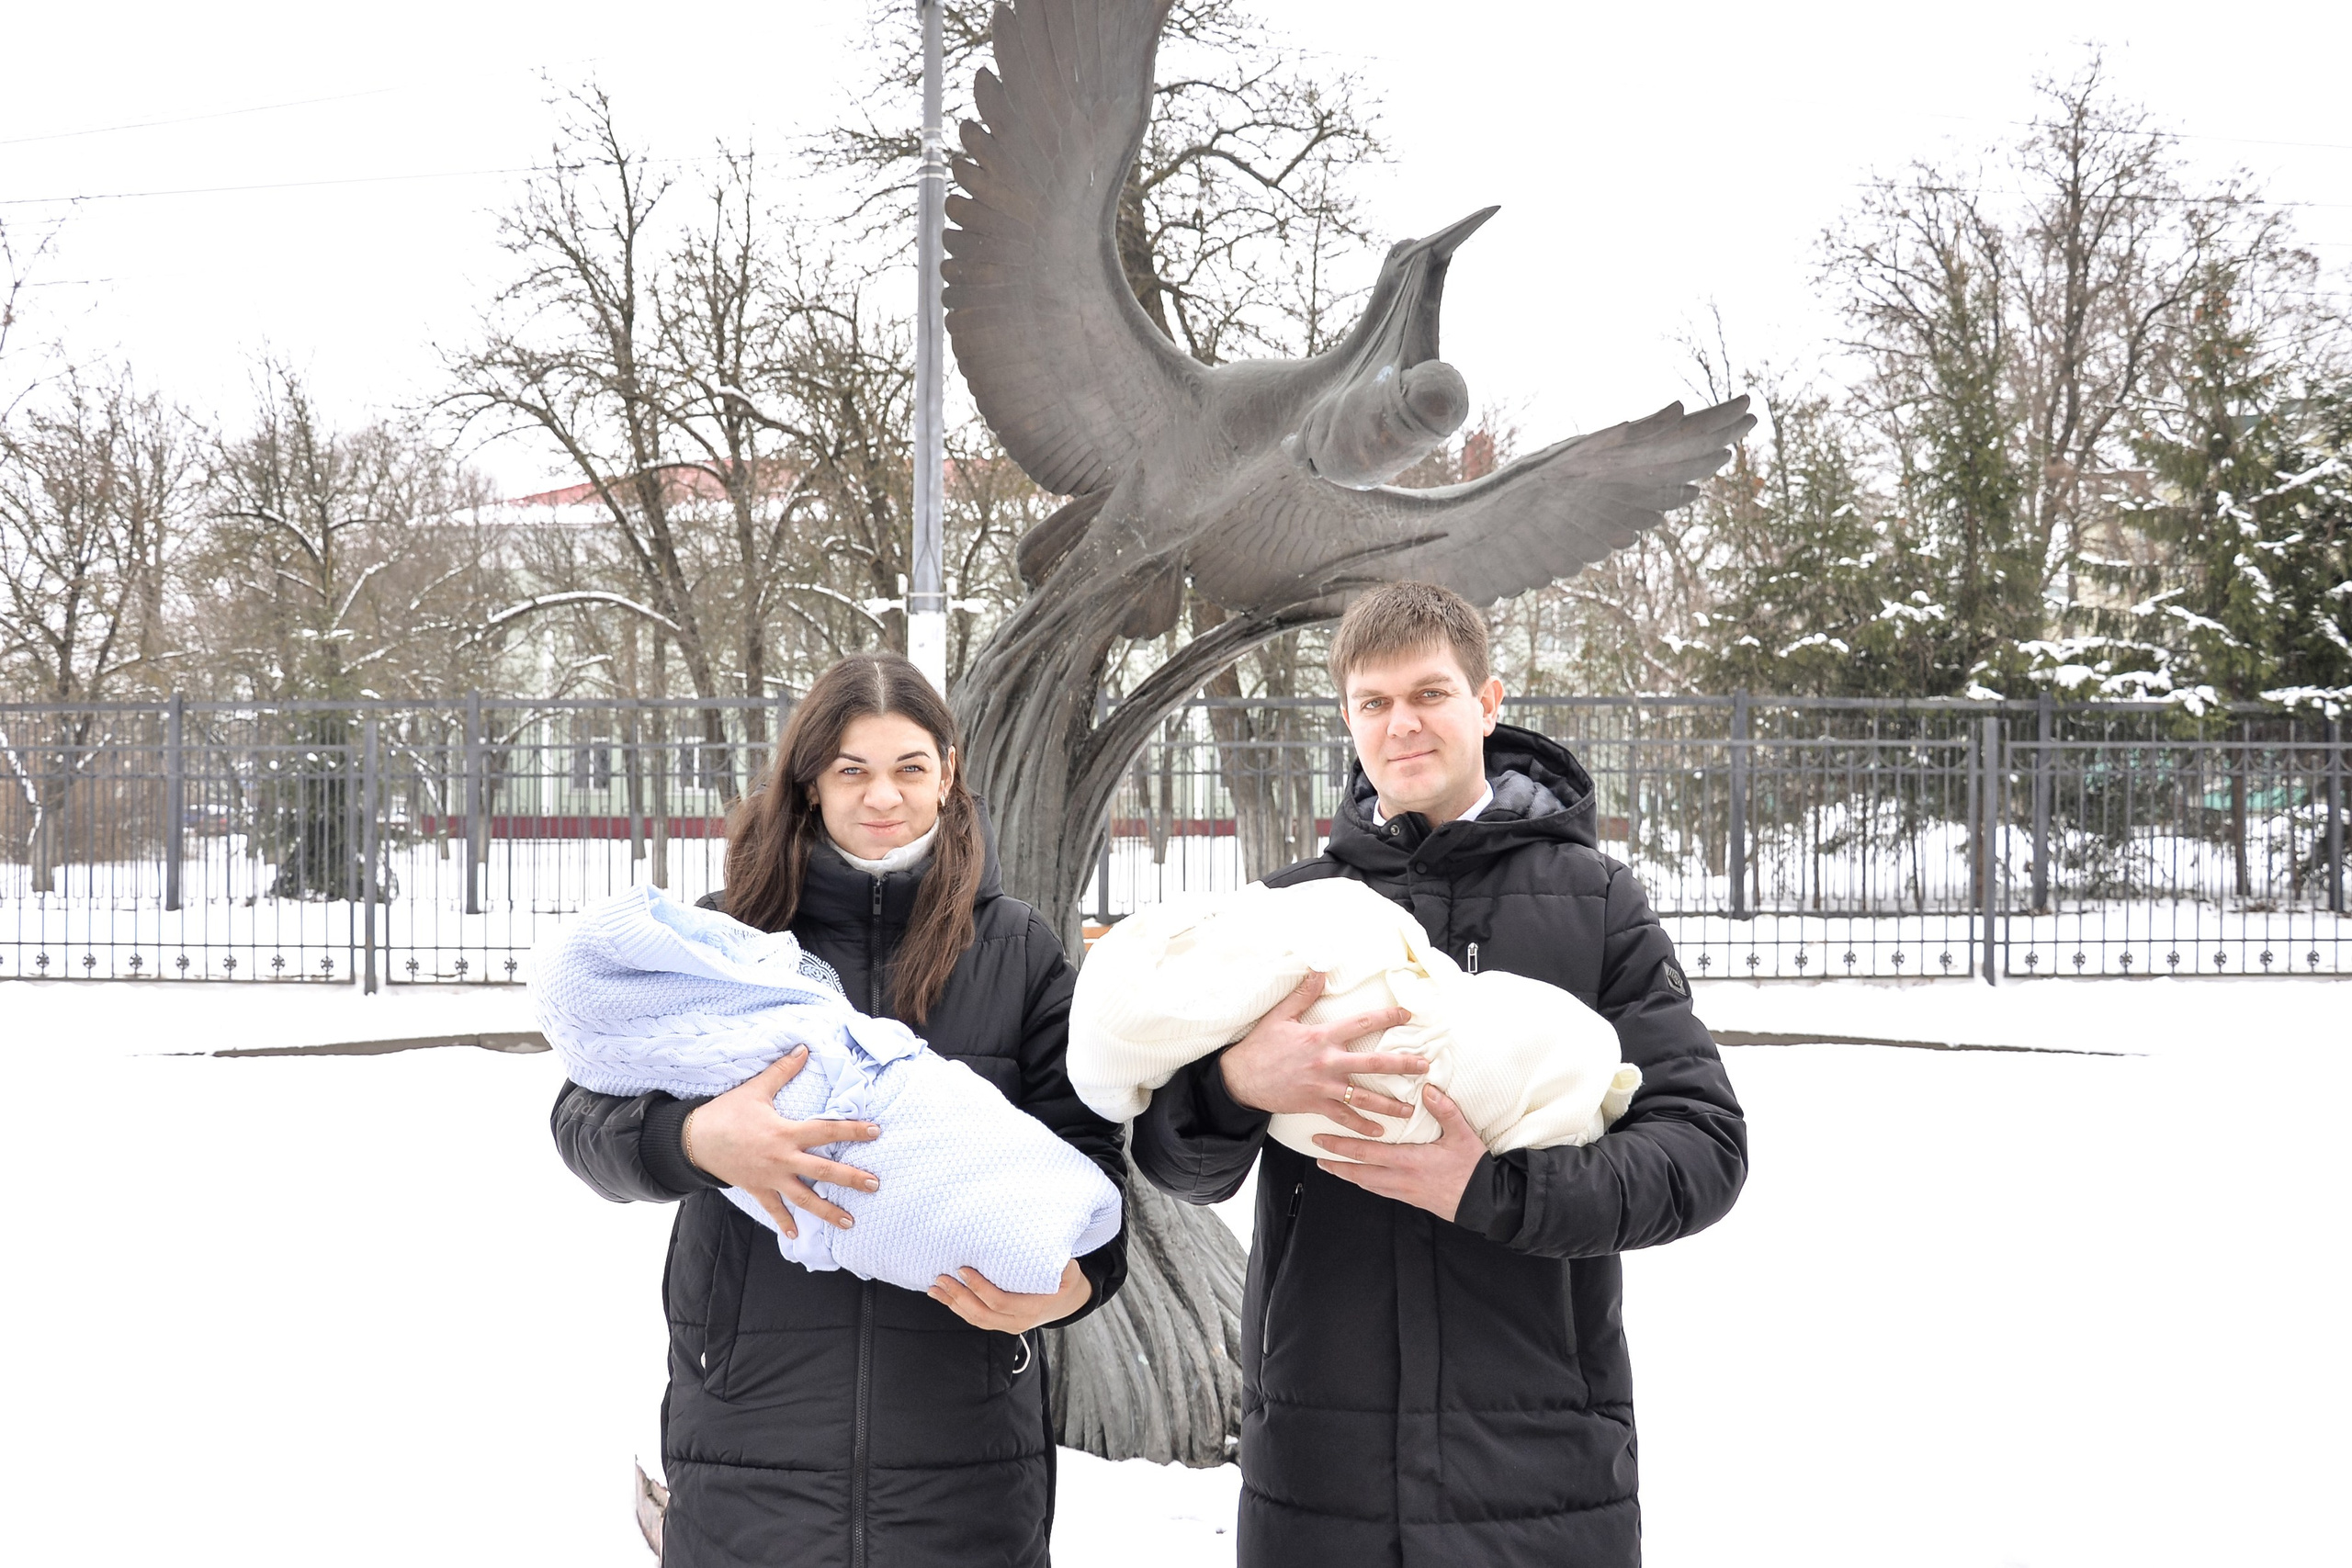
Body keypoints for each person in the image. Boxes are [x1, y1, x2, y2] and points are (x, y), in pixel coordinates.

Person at [1131, 582, 1747, 1567]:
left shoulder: (1595, 905)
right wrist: (1238, 1087)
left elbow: (1702, 1153)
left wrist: (1491, 1192)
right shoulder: (1290, 913)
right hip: (1320, 1470)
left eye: (1429, 693)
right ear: (1347, 719)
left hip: (1539, 1460)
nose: (1401, 724)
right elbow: (1176, 1165)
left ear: (1487, 701)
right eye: (1373, 703)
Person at [551, 652, 1127, 1568]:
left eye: (908, 768)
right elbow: (581, 1120)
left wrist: (1079, 1283)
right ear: (810, 782)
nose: (882, 797)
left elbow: (1091, 1161)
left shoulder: (1016, 948)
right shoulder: (725, 937)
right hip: (750, 1429)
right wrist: (698, 1140)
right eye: (851, 769)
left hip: (962, 1439)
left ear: (947, 777)